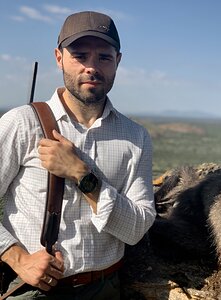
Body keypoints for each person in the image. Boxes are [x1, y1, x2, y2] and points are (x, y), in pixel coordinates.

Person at [0, 11, 156, 299]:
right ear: (59, 58)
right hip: (34, 289)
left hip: (105, 288)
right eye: (80, 55)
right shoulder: (21, 123)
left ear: (118, 61)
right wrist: (18, 258)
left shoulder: (136, 137)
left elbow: (136, 229)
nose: (91, 67)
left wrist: (82, 175)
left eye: (104, 58)